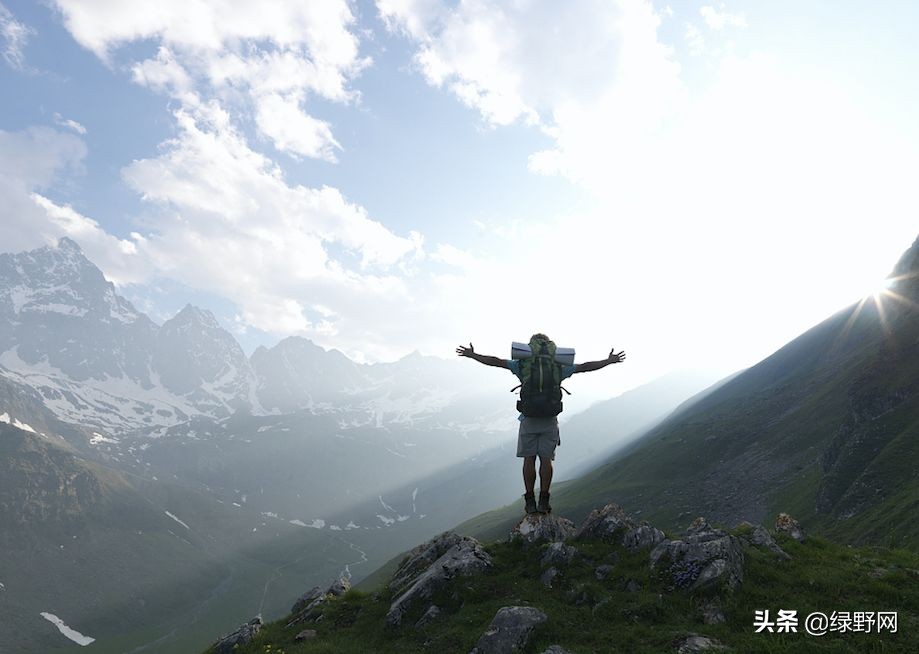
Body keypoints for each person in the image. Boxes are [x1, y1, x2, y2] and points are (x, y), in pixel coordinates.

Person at [456, 334, 626, 515]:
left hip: (528, 419)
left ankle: (530, 502)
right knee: (546, 460)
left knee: (529, 459)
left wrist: (473, 355)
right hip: (550, 419)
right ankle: (544, 501)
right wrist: (609, 361)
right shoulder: (558, 367)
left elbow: (496, 361)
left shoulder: (522, 365)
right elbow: (585, 367)